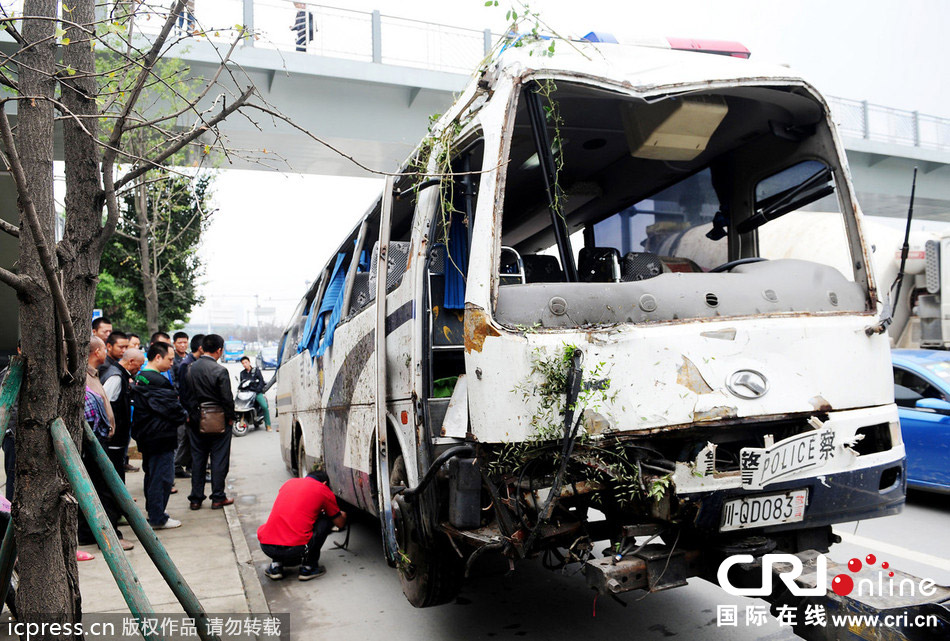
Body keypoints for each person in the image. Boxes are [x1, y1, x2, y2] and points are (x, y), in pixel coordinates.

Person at [79, 337, 133, 550]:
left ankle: (87, 533)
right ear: (98, 351)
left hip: (99, 442)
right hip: (95, 445)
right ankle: (110, 537)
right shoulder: (83, 378)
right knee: (103, 490)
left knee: (95, 488)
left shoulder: (95, 375)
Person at [131, 342, 188, 529]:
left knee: (152, 476)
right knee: (161, 478)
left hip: (148, 436)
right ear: (158, 357)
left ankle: (155, 512)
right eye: (170, 359)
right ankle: (158, 517)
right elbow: (173, 409)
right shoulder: (156, 381)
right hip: (160, 437)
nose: (172, 363)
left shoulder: (141, 377)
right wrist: (184, 415)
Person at [257, 470, 346, 581]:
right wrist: (342, 515)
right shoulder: (322, 489)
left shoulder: (289, 483)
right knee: (325, 520)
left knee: (283, 521)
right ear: (324, 483)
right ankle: (309, 567)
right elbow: (340, 523)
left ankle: (276, 566)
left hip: (267, 547)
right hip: (296, 550)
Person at [185, 334, 235, 510]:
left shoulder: (190, 368)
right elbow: (227, 399)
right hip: (218, 420)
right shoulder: (220, 371)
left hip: (196, 420)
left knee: (198, 460)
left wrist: (193, 415)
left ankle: (196, 499)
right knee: (219, 460)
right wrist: (230, 418)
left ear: (203, 347)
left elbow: (186, 396)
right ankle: (217, 497)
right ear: (219, 350)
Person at [101, 347, 144, 481]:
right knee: (115, 470)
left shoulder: (121, 375)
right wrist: (110, 428)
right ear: (131, 361)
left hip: (118, 436)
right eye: (140, 365)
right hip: (114, 437)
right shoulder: (115, 377)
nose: (140, 368)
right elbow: (104, 403)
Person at [174, 334, 203, 478]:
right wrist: (187, 412)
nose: (183, 345)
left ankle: (188, 465)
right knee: (184, 440)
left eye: (185, 342)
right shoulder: (186, 364)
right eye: (180, 342)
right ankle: (177, 466)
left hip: (189, 409)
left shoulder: (191, 361)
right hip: (186, 410)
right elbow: (184, 391)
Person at [0, 342, 21, 502]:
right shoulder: (10, 373)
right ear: (19, 350)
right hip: (13, 435)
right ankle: (9, 520)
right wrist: (9, 431)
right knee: (13, 482)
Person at [239, 356, 272, 431]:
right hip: (247, 394)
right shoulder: (242, 373)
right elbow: (242, 384)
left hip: (256, 393)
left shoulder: (256, 371)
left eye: (246, 362)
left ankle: (268, 425)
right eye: (243, 363)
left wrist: (257, 390)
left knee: (264, 406)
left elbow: (261, 382)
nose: (244, 364)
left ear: (249, 362)